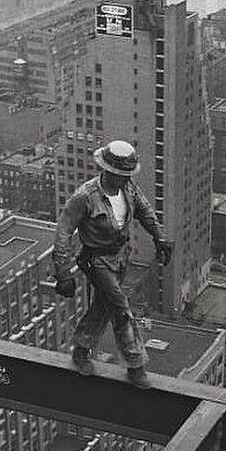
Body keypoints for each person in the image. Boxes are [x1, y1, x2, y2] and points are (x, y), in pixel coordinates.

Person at [52, 139, 172, 387]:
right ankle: (135, 364)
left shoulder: (128, 188)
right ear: (107, 170)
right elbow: (64, 230)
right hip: (96, 260)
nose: (126, 178)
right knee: (120, 307)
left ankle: (81, 349)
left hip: (120, 257)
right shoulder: (85, 197)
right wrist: (62, 273)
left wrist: (160, 237)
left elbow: (145, 210)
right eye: (121, 174)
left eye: (128, 174)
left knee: (103, 306)